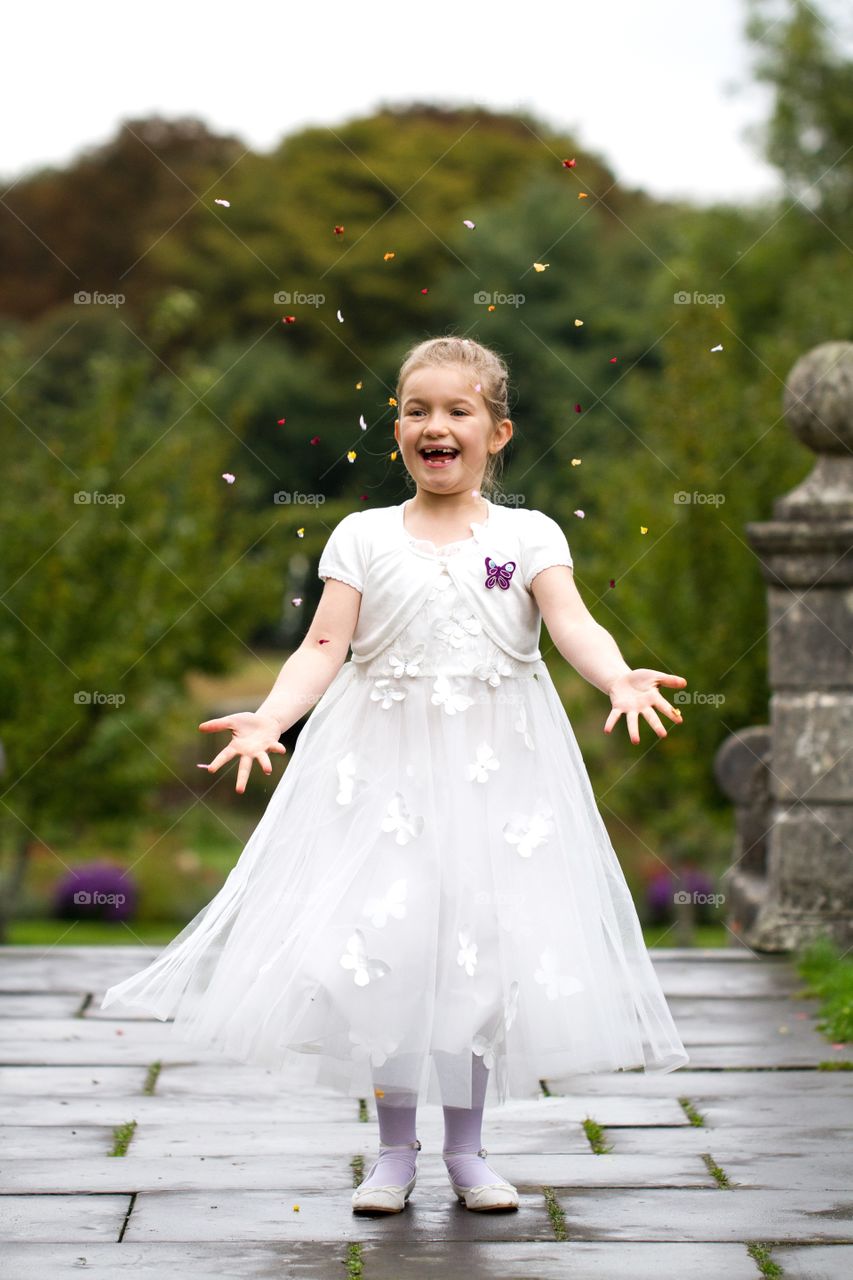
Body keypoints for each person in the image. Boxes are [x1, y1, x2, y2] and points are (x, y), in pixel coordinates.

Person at [101, 335, 690, 1216]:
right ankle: (390, 1153)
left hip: (497, 783)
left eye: (457, 411)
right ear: (397, 433)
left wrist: (616, 676)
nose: (434, 425)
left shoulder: (528, 535)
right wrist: (273, 714)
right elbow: (322, 646)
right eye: (416, 410)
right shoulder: (363, 535)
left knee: (477, 962)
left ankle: (467, 1152)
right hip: (381, 780)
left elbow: (571, 623)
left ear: (497, 432)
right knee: (385, 954)